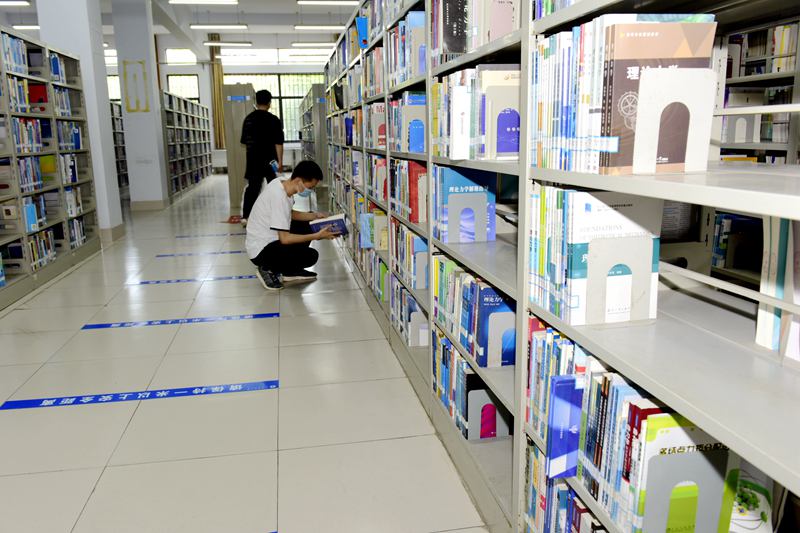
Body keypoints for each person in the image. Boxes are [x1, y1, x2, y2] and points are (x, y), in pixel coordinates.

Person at [246, 160, 339, 290]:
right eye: (310, 187)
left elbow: (289, 213)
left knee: (309, 224)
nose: (311, 191)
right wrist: (317, 236)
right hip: (261, 251)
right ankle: (266, 268)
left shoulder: (281, 183)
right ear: (298, 181)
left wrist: (316, 216)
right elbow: (285, 239)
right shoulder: (279, 197)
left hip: (269, 240)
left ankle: (289, 271)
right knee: (310, 256)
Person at [240, 89, 284, 222]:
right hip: (271, 161)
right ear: (269, 103)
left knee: (252, 188)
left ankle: (246, 217)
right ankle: (276, 214)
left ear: (256, 101)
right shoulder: (274, 120)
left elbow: (244, 141)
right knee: (275, 186)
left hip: (253, 161)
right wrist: (280, 162)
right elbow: (278, 143)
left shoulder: (248, 119)